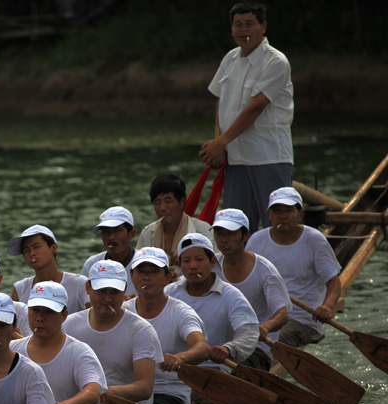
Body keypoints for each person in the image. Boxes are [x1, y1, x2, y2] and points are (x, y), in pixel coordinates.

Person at [200, 2, 294, 230]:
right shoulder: (230, 59)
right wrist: (220, 146)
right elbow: (221, 103)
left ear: (263, 26)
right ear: (231, 29)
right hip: (236, 159)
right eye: (238, 25)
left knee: (278, 226)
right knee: (235, 228)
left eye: (249, 24)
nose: (244, 30)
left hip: (268, 156)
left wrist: (221, 142)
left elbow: (255, 107)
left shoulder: (276, 61)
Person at [9, 281, 106, 404]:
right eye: (35, 310)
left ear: (64, 316)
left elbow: (93, 393)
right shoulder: (12, 350)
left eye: (48, 312)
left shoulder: (79, 352)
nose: (39, 318)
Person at [62, 260, 163, 404]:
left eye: (115, 292)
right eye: (102, 291)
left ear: (124, 290)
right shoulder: (68, 325)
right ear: (88, 288)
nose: (108, 298)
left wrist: (98, 392)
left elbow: (144, 387)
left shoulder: (141, 330)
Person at [123, 248, 211, 404]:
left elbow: (202, 348)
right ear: (132, 276)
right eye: (141, 271)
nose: (146, 277)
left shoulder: (181, 313)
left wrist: (180, 358)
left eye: (154, 272)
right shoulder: (122, 311)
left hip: (169, 395)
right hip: (128, 392)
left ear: (167, 277)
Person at [246, 187, 341, 347]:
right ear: (269, 215)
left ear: (300, 214)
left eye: (288, 210)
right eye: (277, 211)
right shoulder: (257, 240)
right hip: (265, 319)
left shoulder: (314, 240)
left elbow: (334, 282)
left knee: (266, 342)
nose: (282, 216)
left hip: (303, 321)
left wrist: (327, 306)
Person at [165, 234, 259, 384]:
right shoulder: (169, 293)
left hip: (214, 371)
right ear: (180, 265)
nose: (193, 266)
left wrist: (229, 349)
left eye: (199, 259)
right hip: (172, 371)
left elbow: (249, 334)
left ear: (212, 261)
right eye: (187, 261)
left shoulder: (231, 296)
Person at [212, 208, 290, 369]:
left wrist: (265, 327)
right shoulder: (210, 267)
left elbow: (282, 315)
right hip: (217, 346)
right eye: (220, 233)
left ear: (246, 236)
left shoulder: (265, 271)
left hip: (254, 348)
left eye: (230, 234)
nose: (224, 240)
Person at [137, 174, 217, 268]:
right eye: (157, 202)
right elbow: (139, 268)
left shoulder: (203, 230)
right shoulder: (148, 233)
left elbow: (215, 266)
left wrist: (187, 262)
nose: (162, 208)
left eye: (168, 201)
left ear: (182, 202)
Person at [8, 224, 89, 313]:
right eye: (26, 250)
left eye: (37, 247)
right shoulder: (20, 289)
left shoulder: (79, 283)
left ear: (53, 248)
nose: (32, 253)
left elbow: (93, 317)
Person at [81, 206, 138, 296]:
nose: (111, 237)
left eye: (117, 231)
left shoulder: (143, 263)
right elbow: (85, 300)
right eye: (107, 232)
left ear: (131, 234)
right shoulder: (92, 264)